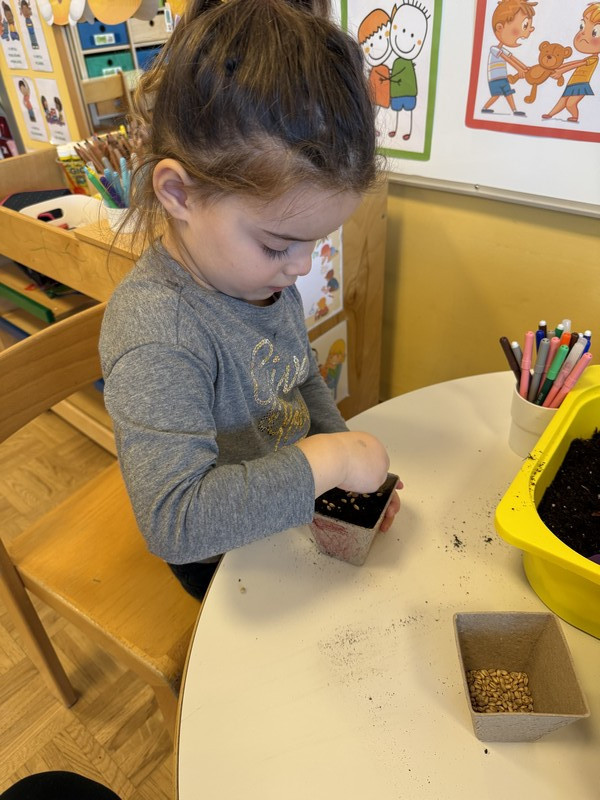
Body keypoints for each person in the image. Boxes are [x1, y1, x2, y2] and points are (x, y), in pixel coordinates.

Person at [99, 0, 402, 601]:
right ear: (179, 193)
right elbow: (175, 523)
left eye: (316, 242)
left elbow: (300, 378)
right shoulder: (157, 331)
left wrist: (345, 479)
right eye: (277, 244)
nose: (301, 267)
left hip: (287, 506)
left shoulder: (259, 280)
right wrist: (331, 462)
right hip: (221, 559)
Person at [542, 2, 600, 123]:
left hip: (581, 84)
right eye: (582, 26)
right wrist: (560, 66)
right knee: (563, 100)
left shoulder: (594, 59)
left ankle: (575, 116)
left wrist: (562, 70)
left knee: (570, 103)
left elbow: (578, 64)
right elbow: (576, 62)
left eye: (595, 32)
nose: (583, 33)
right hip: (573, 82)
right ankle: (550, 114)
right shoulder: (588, 58)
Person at [481, 0, 537, 116]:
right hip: (495, 79)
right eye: (524, 26)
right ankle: (485, 108)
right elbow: (508, 60)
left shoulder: (503, 50)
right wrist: (519, 69)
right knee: (496, 95)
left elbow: (513, 58)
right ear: (500, 28)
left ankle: (515, 110)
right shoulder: (494, 49)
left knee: (508, 93)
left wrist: (524, 67)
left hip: (503, 77)